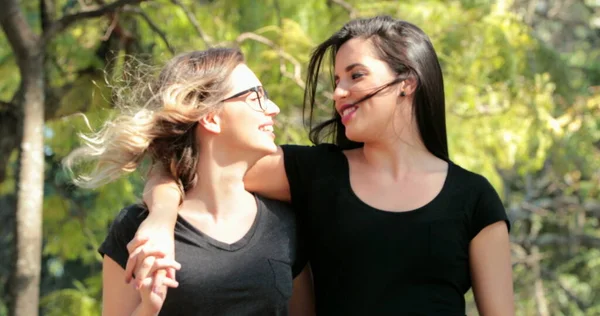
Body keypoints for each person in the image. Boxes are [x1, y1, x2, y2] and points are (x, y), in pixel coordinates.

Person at [127, 16, 514, 315]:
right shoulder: (314, 174)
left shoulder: (475, 198)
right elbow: (186, 164)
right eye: (336, 80)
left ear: (406, 82)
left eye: (356, 75)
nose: (339, 94)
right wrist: (160, 220)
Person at [64, 48, 314, 316]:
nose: (273, 109)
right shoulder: (137, 231)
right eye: (256, 97)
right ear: (210, 117)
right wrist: (149, 308)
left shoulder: (284, 224)